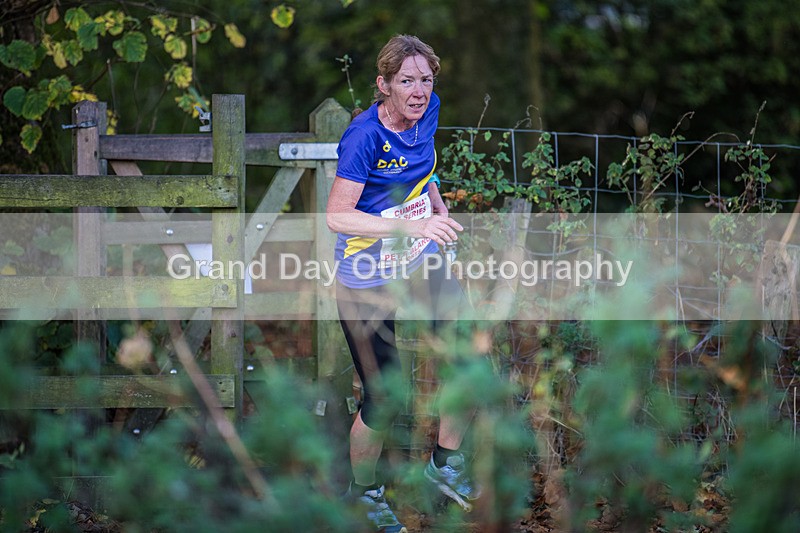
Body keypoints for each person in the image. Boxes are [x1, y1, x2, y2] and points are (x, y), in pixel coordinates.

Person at [326, 35, 480, 532]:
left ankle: (443, 468)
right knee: (384, 394)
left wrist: (431, 196)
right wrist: (411, 224)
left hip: (418, 258)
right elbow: (336, 217)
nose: (418, 91)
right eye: (407, 81)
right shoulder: (363, 136)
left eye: (426, 80)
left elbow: (422, 159)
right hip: (365, 275)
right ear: (383, 84)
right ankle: (364, 494)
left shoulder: (428, 109)